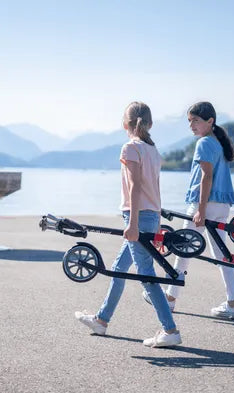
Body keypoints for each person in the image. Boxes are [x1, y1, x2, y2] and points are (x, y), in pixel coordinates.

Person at [75, 101, 182, 348]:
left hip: (138, 217)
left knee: (146, 275)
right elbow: (155, 188)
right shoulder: (152, 150)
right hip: (150, 215)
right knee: (118, 268)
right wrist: (155, 221)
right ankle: (101, 320)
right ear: (150, 124)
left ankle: (170, 330)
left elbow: (135, 187)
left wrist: (132, 223)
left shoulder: (130, 148)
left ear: (125, 124)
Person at [142, 101, 234, 319]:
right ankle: (233, 303)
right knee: (222, 254)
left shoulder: (204, 143)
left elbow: (207, 177)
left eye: (195, 120)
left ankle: (170, 299)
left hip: (203, 204)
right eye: (189, 121)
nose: (191, 125)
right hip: (222, 204)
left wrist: (201, 210)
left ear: (210, 121)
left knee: (182, 248)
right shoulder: (218, 142)